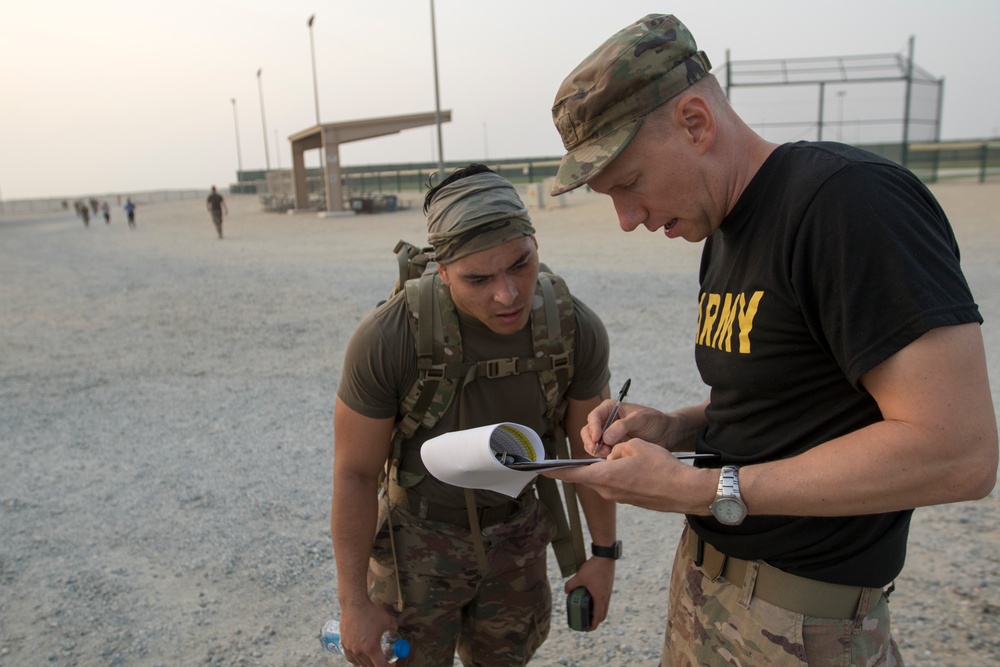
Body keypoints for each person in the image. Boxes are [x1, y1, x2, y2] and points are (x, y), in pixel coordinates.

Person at [542, 14, 998, 667]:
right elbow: (792, 398)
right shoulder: (723, 230)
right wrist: (674, 427)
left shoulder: (849, 205)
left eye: (629, 183)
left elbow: (959, 451)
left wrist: (702, 488)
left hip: (808, 622)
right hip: (711, 591)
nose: (627, 219)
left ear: (696, 122)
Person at [331, 165, 619, 667]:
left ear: (534, 243)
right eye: (478, 279)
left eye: (520, 265)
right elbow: (354, 473)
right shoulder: (389, 338)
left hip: (518, 540)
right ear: (441, 271)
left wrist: (603, 555)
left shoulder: (572, 328)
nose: (507, 294)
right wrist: (353, 602)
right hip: (415, 549)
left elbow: (589, 452)